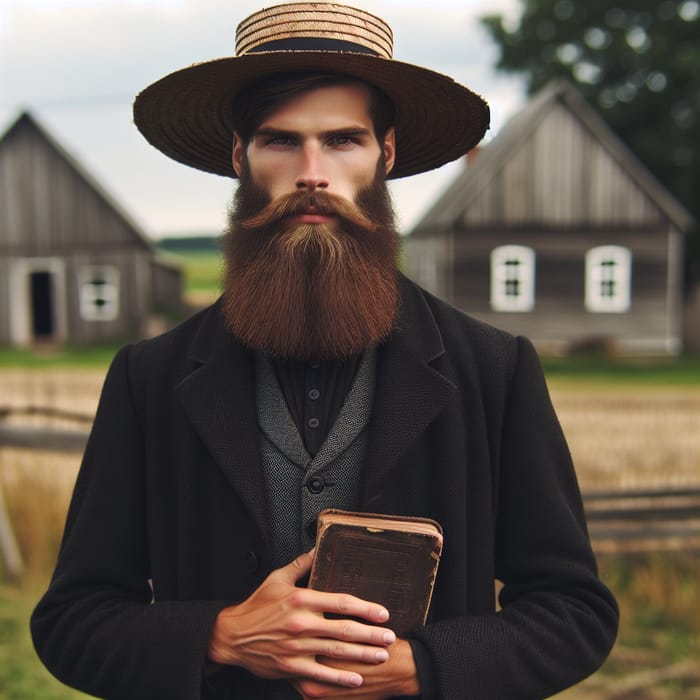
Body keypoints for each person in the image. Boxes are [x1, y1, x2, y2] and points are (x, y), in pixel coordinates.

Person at [31, 3, 618, 699]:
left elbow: (575, 613)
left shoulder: (494, 369)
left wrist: (422, 667)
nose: (314, 172)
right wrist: (220, 635)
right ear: (239, 156)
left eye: (343, 140)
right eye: (282, 141)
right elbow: (71, 622)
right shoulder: (148, 377)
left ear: (385, 155)